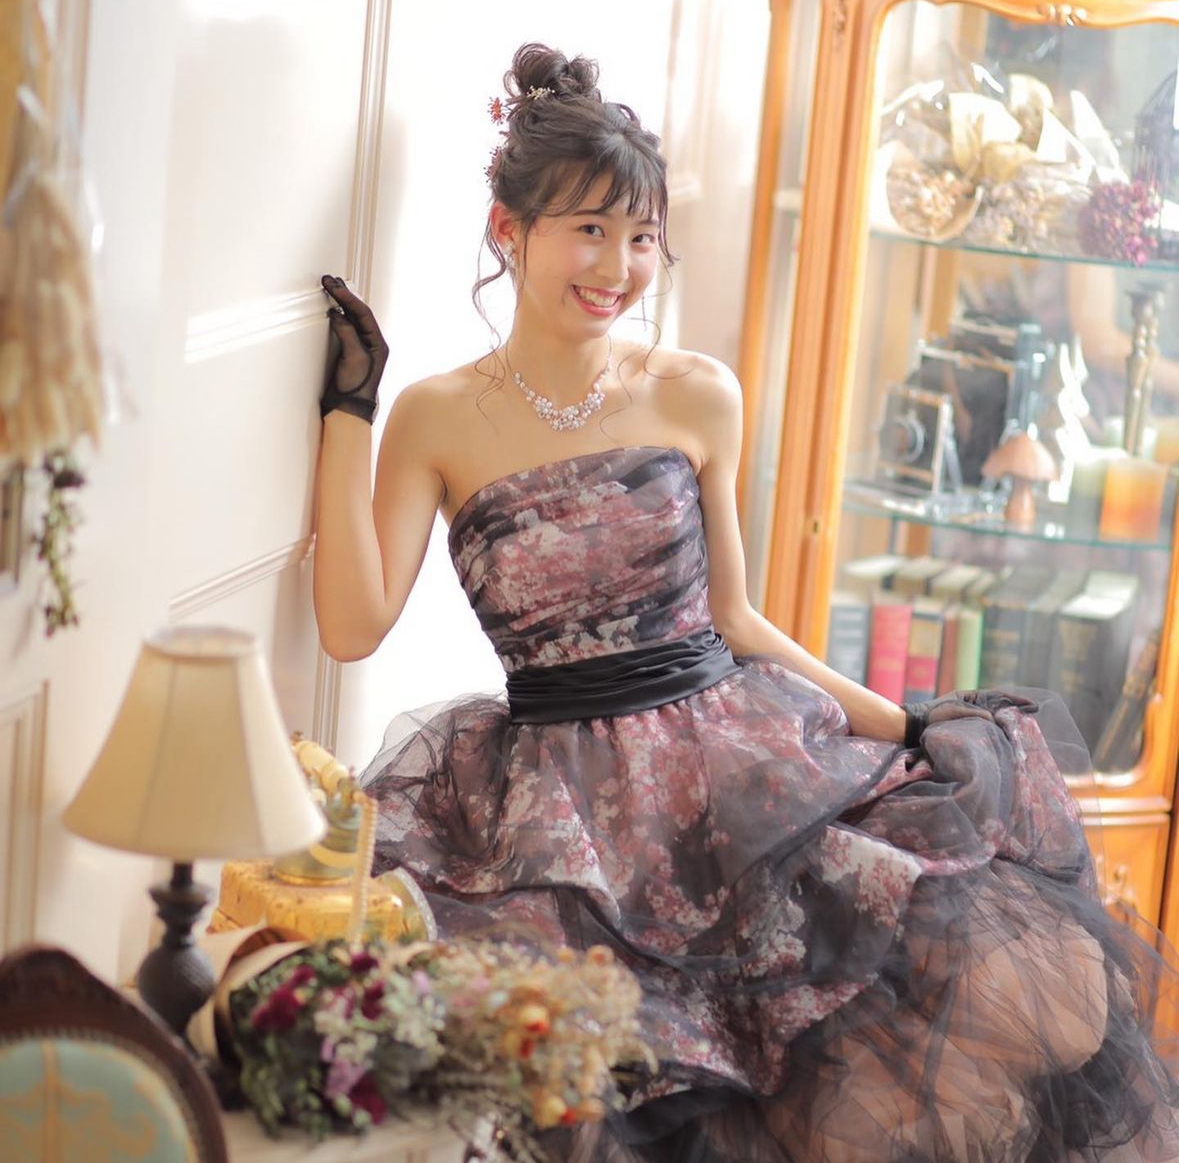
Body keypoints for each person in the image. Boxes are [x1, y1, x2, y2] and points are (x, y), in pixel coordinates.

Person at [313, 43, 1179, 1163]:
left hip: (737, 771)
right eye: (588, 229)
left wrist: (908, 725)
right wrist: (349, 410)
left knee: (1025, 1006)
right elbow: (352, 624)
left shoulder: (694, 393)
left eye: (641, 237)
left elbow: (737, 620)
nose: (618, 265)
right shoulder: (434, 417)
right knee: (640, 1087)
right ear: (507, 229)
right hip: (562, 815)